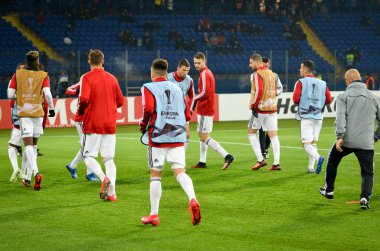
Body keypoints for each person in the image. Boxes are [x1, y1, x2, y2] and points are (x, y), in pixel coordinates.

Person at [139, 59, 201, 227]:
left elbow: (148, 109)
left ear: (152, 74)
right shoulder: (178, 88)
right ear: (167, 74)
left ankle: (154, 215)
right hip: (178, 136)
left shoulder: (148, 87)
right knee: (180, 172)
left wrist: (143, 125)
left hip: (158, 137)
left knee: (155, 174)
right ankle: (193, 199)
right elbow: (187, 114)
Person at [320, 69, 380, 210]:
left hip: (347, 140)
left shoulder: (343, 97)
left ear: (348, 81)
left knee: (333, 159)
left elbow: (340, 118)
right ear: (360, 79)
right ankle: (365, 197)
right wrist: (376, 136)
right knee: (367, 171)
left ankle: (329, 190)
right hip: (366, 142)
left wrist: (339, 137)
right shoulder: (375, 98)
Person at [78, 49, 124, 201]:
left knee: (88, 156)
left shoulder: (86, 77)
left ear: (89, 61)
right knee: (109, 159)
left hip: (93, 122)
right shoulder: (112, 78)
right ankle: (112, 194)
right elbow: (121, 102)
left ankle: (104, 178)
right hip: (110, 123)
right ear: (103, 61)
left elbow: (83, 98)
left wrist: (81, 111)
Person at [7, 51, 55, 190]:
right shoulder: (44, 75)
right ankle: (27, 178)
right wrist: (51, 108)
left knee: (27, 146)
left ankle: (35, 172)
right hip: (38, 114)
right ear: (37, 60)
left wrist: (21, 96)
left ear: (26, 61)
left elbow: (10, 94)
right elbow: (47, 93)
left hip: (25, 113)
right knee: (33, 147)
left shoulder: (18, 73)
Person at [191, 52, 234, 170]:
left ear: (204, 61)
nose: (196, 65)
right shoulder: (205, 73)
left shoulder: (205, 73)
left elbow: (205, 92)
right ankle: (202, 161)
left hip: (205, 109)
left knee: (203, 136)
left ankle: (227, 156)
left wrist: (194, 99)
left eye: (199, 63)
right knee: (202, 136)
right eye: (195, 63)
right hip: (205, 108)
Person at [292, 60, 332, 173]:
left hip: (306, 116)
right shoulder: (323, 83)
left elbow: (295, 99)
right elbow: (329, 100)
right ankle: (311, 167)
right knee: (313, 142)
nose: (300, 70)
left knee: (306, 144)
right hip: (319, 117)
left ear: (305, 69)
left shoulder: (300, 82)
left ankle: (319, 157)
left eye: (301, 68)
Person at [248, 54, 281, 171]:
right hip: (272, 108)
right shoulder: (271, 73)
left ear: (257, 62)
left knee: (251, 133)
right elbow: (276, 90)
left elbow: (259, 90)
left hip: (261, 108)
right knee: (273, 136)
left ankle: (260, 159)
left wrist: (253, 105)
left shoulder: (257, 74)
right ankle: (276, 163)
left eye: (251, 63)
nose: (250, 65)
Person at [64, 82, 99, 182]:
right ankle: (89, 173)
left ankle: (73, 165)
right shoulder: (85, 83)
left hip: (87, 120)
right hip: (83, 120)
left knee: (88, 146)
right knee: (88, 147)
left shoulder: (89, 84)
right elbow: (69, 90)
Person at [167, 59, 195, 150]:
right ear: (178, 68)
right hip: (170, 111)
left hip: (183, 110)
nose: (185, 72)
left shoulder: (189, 80)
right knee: (170, 135)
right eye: (183, 70)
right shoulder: (168, 78)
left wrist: (190, 109)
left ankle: (181, 158)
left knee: (186, 134)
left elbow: (192, 96)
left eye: (187, 70)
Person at [259, 57, 283, 159]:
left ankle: (267, 147)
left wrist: (274, 94)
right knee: (261, 130)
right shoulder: (258, 75)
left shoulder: (274, 76)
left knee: (270, 130)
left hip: (271, 106)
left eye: (267, 64)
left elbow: (280, 88)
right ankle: (263, 152)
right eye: (263, 64)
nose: (265, 65)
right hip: (261, 106)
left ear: (269, 64)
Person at [8, 63, 26, 182]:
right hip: (33, 115)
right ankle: (25, 173)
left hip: (18, 115)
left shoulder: (14, 79)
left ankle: (16, 168)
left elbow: (10, 95)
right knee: (30, 146)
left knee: (12, 146)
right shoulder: (32, 79)